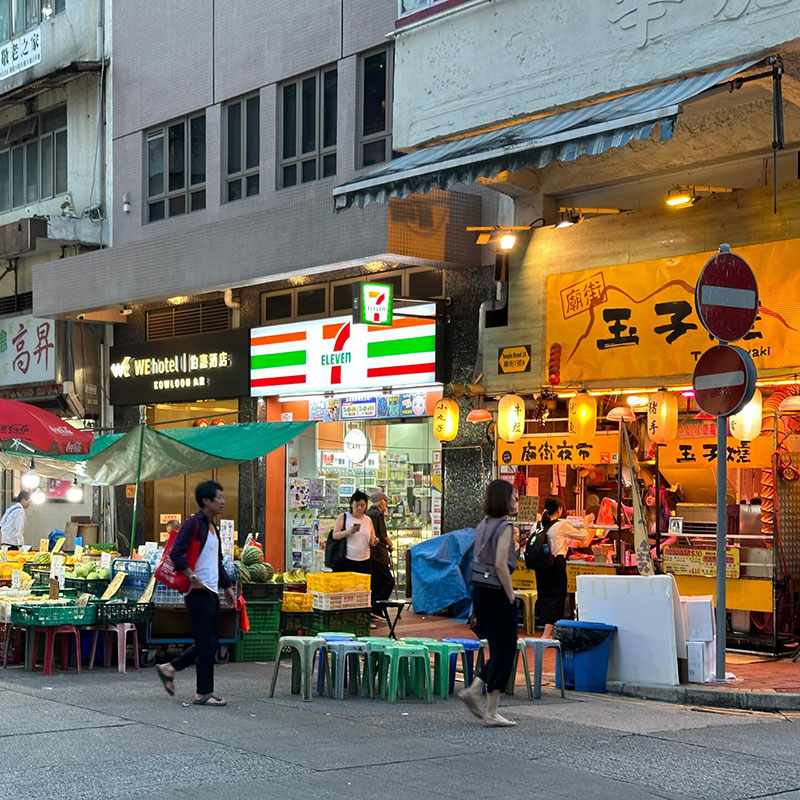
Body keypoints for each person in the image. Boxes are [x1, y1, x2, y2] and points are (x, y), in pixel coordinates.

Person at [155, 480, 235, 706]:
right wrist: (191, 575)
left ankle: (170, 668)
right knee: (207, 641)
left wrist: (227, 586)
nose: (223, 501)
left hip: (211, 590)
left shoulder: (212, 526)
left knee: (211, 641)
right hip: (196, 590)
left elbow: (216, 561)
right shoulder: (194, 524)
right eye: (219, 497)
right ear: (206, 501)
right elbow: (176, 553)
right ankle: (203, 692)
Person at [458, 479, 519, 728]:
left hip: (480, 591)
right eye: (514, 496)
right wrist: (511, 594)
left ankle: (479, 694)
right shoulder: (505, 527)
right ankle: (489, 708)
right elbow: (500, 564)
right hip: (497, 592)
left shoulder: (483, 524)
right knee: (505, 650)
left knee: (498, 648)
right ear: (503, 499)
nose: (517, 500)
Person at [534, 496, 595, 641]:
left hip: (541, 564)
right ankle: (547, 633)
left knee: (544, 595)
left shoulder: (538, 525)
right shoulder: (560, 526)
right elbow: (584, 538)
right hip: (556, 563)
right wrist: (586, 522)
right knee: (556, 596)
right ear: (559, 509)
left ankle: (547, 630)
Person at [331, 490, 378, 577]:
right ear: (351, 504)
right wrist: (349, 532)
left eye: (363, 505)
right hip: (347, 559)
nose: (360, 508)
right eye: (357, 505)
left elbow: (372, 538)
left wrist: (374, 541)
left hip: (365, 560)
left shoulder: (368, 520)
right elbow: (335, 535)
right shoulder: (344, 517)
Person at [366, 491, 395, 615]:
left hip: (370, 553)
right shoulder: (377, 515)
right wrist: (390, 544)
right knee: (388, 581)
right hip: (378, 553)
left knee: (376, 581)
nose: (386, 504)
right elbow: (383, 535)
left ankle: (375, 608)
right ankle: (377, 608)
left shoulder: (367, 514)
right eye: (385, 501)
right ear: (380, 501)